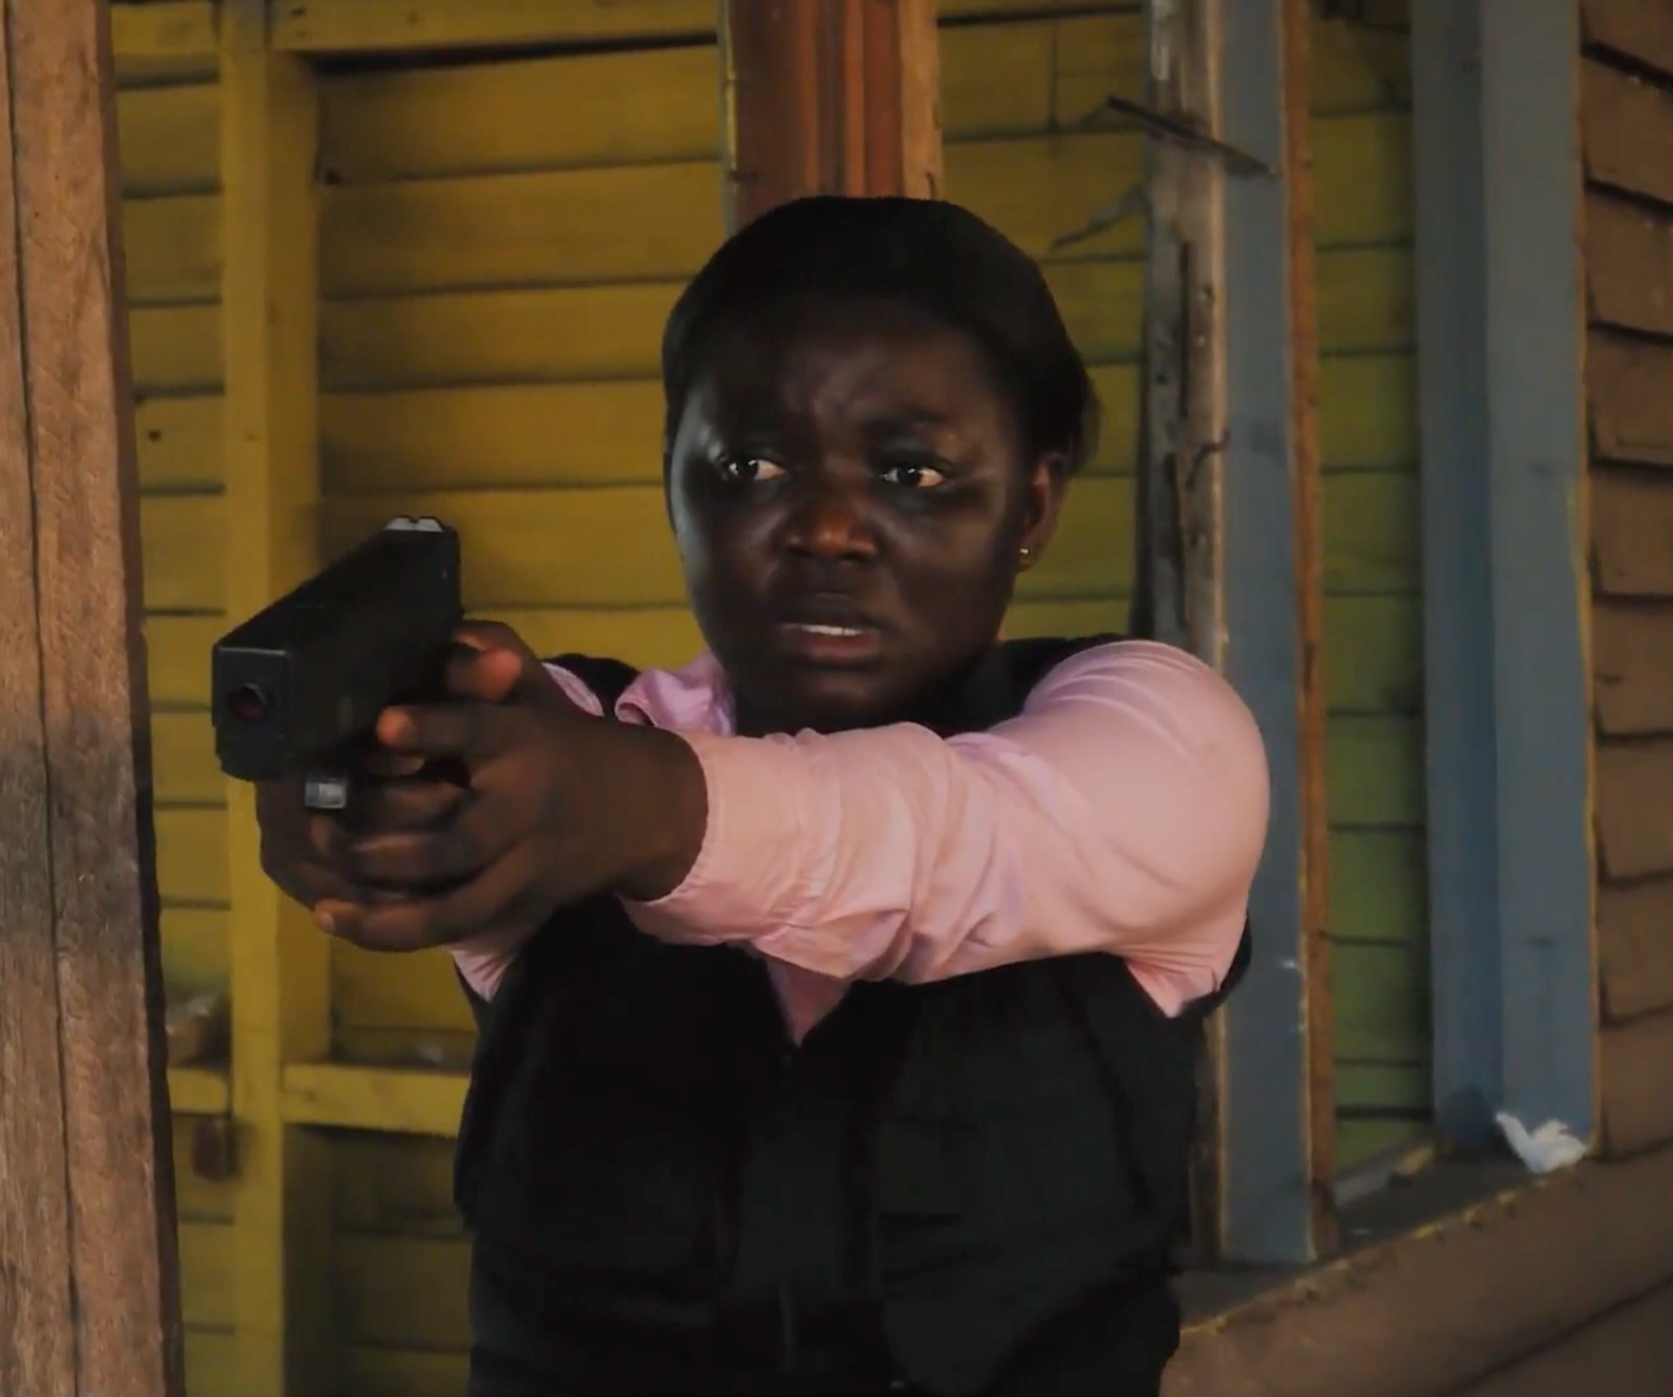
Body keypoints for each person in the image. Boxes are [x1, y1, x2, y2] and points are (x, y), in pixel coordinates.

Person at [255, 195, 1270, 1397]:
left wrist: (638, 810)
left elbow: (944, 840)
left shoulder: (1158, 740)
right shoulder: (555, 745)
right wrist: (366, 787)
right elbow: (482, 768)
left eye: (913, 472)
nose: (827, 528)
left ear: (1032, 506)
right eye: (750, 466)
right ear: (672, 482)